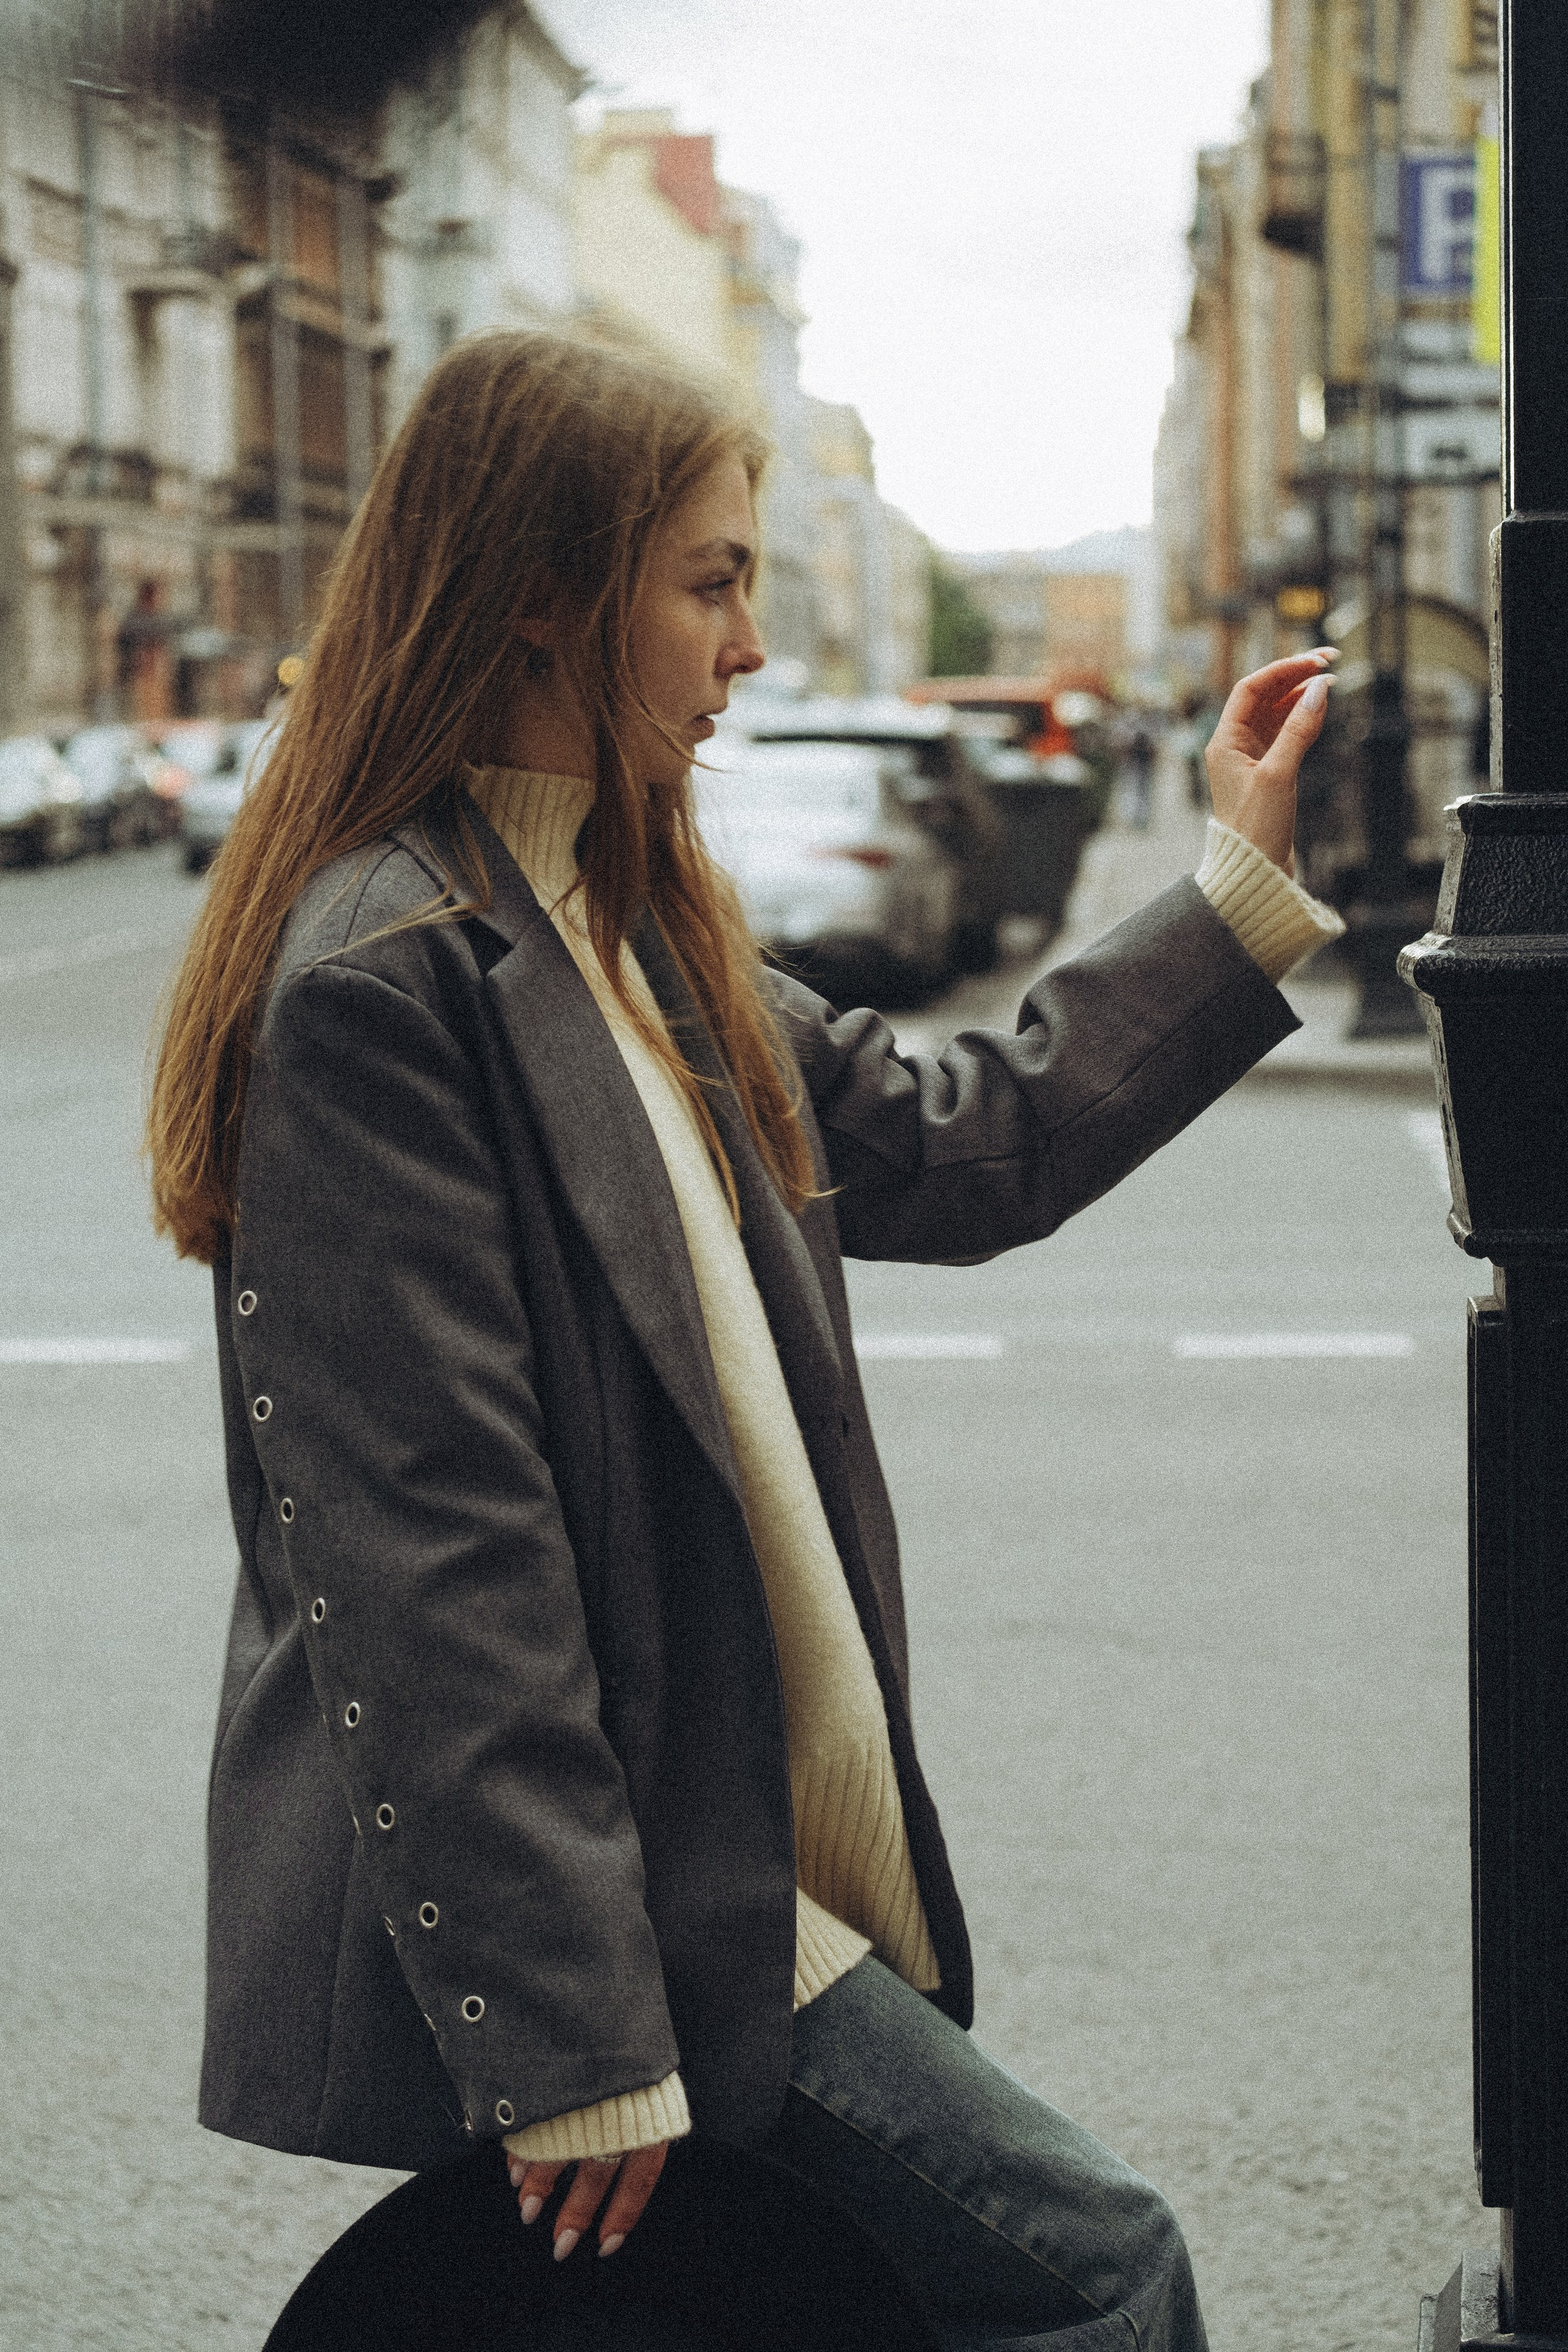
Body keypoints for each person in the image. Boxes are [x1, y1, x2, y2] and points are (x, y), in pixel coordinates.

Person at [148, 331, 1342, 2351]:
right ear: (543, 592)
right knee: (1098, 2271)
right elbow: (433, 1561)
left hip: (721, 1845)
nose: (753, 645)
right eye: (711, 583)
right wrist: (573, 2031)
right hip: (645, 1894)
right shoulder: (385, 981)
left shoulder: (628, 927)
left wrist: (1232, 887)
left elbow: (973, 1147)